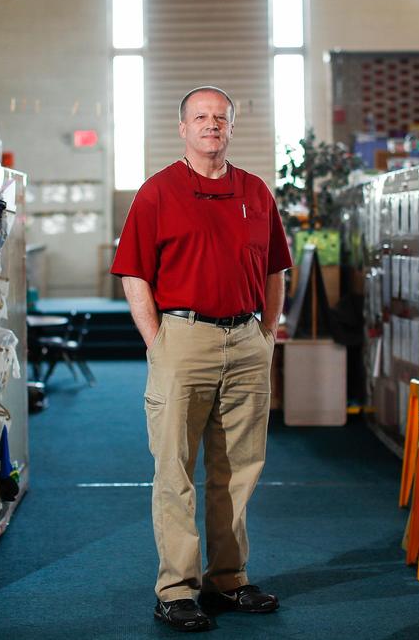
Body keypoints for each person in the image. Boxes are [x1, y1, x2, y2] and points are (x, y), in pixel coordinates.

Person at [111, 86, 292, 632]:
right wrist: (157, 341)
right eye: (201, 117)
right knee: (175, 469)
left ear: (231, 127)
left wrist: (268, 332)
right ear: (183, 128)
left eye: (220, 118)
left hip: (246, 340)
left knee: (238, 469)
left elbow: (275, 271)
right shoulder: (157, 192)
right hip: (182, 337)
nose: (211, 125)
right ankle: (176, 589)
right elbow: (135, 273)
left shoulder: (257, 193)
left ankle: (228, 580)